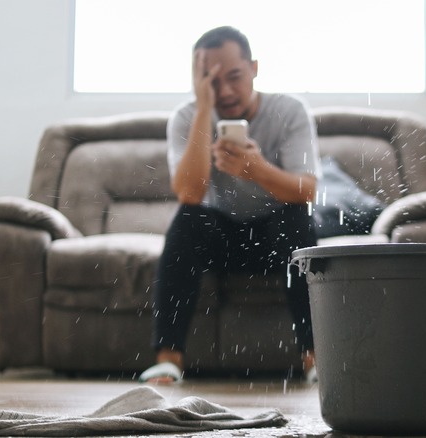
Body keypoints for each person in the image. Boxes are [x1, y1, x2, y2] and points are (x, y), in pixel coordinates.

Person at [138, 26, 321, 384]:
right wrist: (204, 109)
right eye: (211, 81)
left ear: (254, 67)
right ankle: (168, 359)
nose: (225, 91)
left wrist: (258, 171)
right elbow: (190, 194)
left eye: (234, 77)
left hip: (276, 237)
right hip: (220, 236)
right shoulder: (188, 117)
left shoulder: (289, 110)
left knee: (299, 219)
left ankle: (316, 360)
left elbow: (308, 190)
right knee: (188, 219)